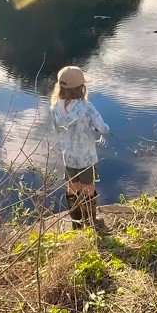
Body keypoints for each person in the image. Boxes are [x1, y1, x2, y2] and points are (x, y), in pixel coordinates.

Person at [51, 65, 109, 231]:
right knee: (88, 188)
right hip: (87, 158)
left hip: (68, 156)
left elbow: (57, 130)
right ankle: (90, 223)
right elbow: (103, 128)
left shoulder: (56, 107)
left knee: (72, 187)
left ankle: (76, 224)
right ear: (81, 88)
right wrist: (98, 130)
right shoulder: (87, 107)